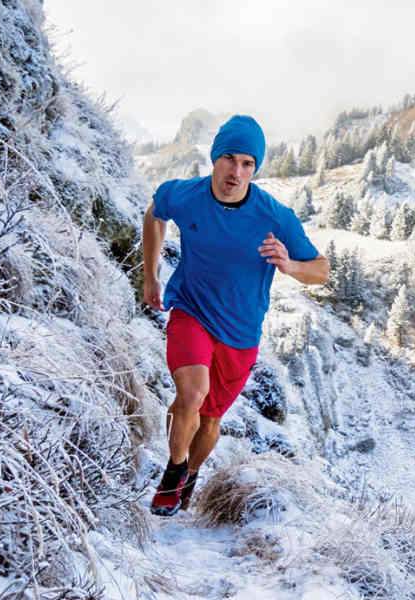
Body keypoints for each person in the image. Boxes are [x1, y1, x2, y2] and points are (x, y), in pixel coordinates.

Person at [142, 115, 329, 516]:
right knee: (191, 395)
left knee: (209, 421)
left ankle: (191, 473)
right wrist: (151, 275)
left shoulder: (274, 216)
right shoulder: (185, 195)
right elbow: (154, 214)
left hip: (240, 334)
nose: (236, 171)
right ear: (214, 158)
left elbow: (322, 270)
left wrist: (290, 266)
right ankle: (173, 471)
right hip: (191, 310)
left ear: (256, 168)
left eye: (248, 163)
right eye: (229, 158)